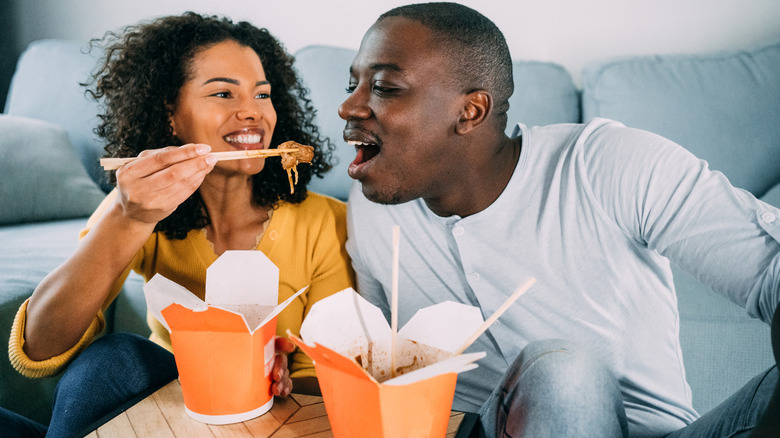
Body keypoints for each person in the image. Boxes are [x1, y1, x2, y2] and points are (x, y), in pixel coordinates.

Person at [340, 3, 780, 437]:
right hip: (485, 429)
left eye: (383, 87)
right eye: (352, 84)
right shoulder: (372, 209)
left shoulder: (611, 165)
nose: (348, 107)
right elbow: (380, 375)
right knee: (563, 373)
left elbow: (772, 277)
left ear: (470, 112)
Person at [3, 12, 354, 437]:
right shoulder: (137, 205)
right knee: (115, 358)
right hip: (164, 407)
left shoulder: (326, 222)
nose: (252, 113)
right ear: (170, 112)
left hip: (261, 418)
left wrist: (274, 378)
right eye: (224, 93)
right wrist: (130, 218)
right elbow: (40, 349)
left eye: (263, 95)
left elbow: (332, 381)